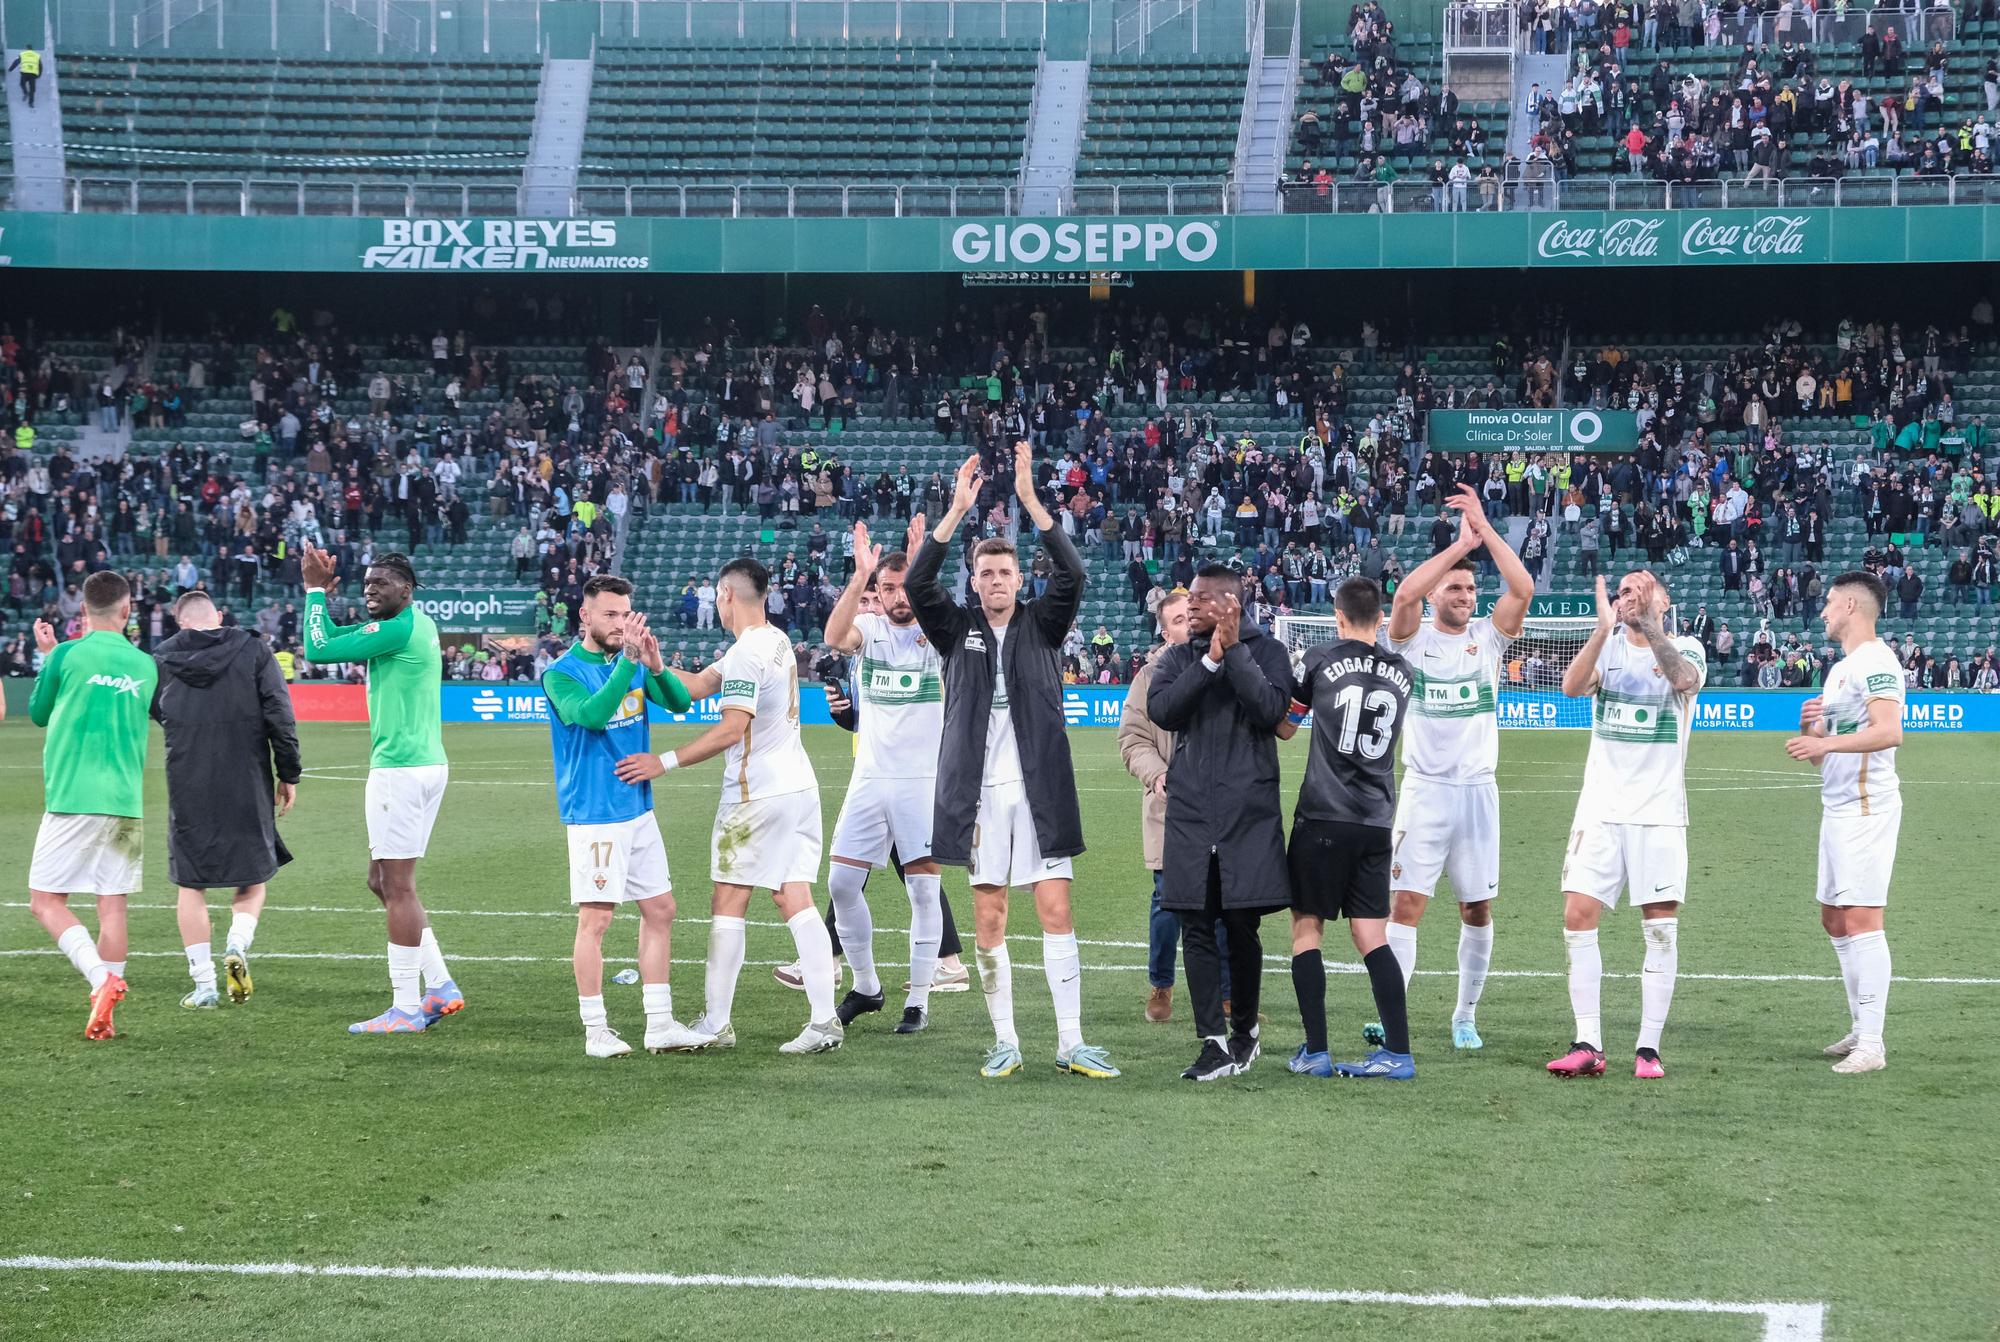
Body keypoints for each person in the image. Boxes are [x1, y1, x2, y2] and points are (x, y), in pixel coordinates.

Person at [907, 448, 1119, 1080]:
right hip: (977, 798)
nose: (996, 581)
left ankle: (1070, 1042)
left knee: (1056, 910)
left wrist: (1030, 501)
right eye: (986, 573)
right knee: (990, 915)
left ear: (1019, 580)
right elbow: (918, 584)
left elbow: (1074, 574)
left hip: (1040, 795)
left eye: (1005, 572)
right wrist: (955, 514)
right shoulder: (954, 629)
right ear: (975, 582)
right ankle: (1005, 1039)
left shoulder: (1044, 626)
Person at [614, 558, 840, 1055]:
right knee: (792, 895)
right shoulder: (772, 639)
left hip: (756, 794)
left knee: (729, 900)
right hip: (800, 788)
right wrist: (653, 663)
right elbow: (695, 686)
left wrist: (664, 762)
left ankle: (717, 1022)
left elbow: (731, 729)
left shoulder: (745, 654)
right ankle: (825, 1021)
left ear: (724, 596)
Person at [1379, 485, 1533, 1051]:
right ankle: (1392, 1013)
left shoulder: (1489, 639)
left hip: (1476, 792)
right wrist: (1454, 549)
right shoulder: (1411, 640)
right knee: (1406, 905)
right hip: (1423, 790)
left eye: (1471, 587)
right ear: (1437, 594)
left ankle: (1465, 1015)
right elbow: (1403, 595)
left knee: (1477, 905)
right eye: (1456, 587)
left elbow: (1523, 587)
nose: (1467, 595)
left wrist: (1485, 532)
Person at [299, 544, 465, 1035]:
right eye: (366, 583)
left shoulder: (396, 631)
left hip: (400, 769)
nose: (370, 589)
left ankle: (406, 1008)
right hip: (425, 763)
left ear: (406, 590)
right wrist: (321, 604)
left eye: (381, 584)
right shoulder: (412, 625)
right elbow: (330, 636)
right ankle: (439, 986)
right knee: (383, 881)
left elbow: (317, 649)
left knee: (398, 887)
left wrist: (311, 591)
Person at [541, 575, 709, 1059]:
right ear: (585, 617)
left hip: (638, 808)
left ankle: (660, 1024)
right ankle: (596, 1030)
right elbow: (592, 716)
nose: (619, 623)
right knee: (596, 919)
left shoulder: (631, 662)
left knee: (661, 909)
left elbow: (679, 703)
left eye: (625, 613)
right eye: (610, 614)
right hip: (595, 814)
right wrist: (631, 662)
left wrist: (654, 666)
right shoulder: (562, 673)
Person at [1549, 571, 1705, 1081]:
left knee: (1659, 930)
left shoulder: (1687, 646)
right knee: (1577, 915)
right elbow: (1572, 687)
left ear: (1664, 599)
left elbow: (1683, 680)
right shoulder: (1608, 648)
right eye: (1622, 588)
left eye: (1642, 585)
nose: (1630, 592)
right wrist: (1602, 627)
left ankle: (1648, 1049)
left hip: (1658, 814)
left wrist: (1649, 627)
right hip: (1600, 810)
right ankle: (1587, 1041)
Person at [1145, 567, 1293, 1081]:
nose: (1190, 604)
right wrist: (1210, 659)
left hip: (1245, 812)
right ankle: (1211, 1042)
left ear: (1231, 602)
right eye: (1190, 595)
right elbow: (1163, 710)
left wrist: (1234, 652)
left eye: (1202, 597)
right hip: (1189, 813)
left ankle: (1245, 1032)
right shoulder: (1181, 656)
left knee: (1240, 927)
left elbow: (1271, 709)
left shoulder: (1268, 651)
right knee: (1195, 925)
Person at [817, 516, 951, 1034]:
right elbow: (833, 635)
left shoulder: (937, 633)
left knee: (922, 893)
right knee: (842, 883)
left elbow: (932, 600)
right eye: (888, 588)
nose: (897, 597)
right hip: (869, 780)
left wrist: (924, 569)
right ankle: (867, 986)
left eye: (904, 587)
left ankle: (917, 999)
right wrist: (860, 575)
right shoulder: (869, 630)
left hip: (921, 782)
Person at [1280, 577, 1416, 1080]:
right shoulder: (1403, 670)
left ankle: (1316, 1050)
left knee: (1306, 929)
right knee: (1371, 936)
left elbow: (1287, 726)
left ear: (1338, 616)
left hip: (1323, 814)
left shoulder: (1317, 659)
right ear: (1380, 617)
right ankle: (1398, 1053)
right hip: (1377, 819)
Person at [151, 590, 301, 1010]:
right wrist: (288, 773)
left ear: (180, 623)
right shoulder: (253, 649)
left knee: (190, 884)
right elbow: (279, 712)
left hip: (187, 779)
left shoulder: (163, 658)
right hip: (246, 778)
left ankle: (203, 985)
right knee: (252, 878)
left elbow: (157, 710)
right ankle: (237, 944)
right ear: (219, 616)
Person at [24, 572, 158, 1041]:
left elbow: (39, 713)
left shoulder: (66, 654)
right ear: (127, 611)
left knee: (44, 901)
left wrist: (49, 656)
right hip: (125, 802)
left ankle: (101, 979)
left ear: (83, 610)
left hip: (73, 797)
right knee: (112, 908)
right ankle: (106, 1013)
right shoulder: (146, 665)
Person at [1785, 572, 1904, 1076]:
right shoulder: (1840, 671)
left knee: (1861, 919)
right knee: (1834, 919)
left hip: (1866, 807)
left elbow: (1890, 731)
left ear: (1852, 605)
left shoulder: (1877, 661)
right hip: (1836, 808)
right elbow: (1821, 754)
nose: (1823, 612)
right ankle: (1861, 1025)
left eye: (1830, 604)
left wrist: (1825, 742)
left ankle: (1873, 1045)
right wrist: (1811, 727)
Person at [1121, 588, 1229, 1024]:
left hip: (1222, 806)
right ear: (1165, 632)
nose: (1189, 622)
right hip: (1170, 806)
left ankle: (1226, 993)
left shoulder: (1227, 663)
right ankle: (1161, 986)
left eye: (1193, 615)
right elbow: (1132, 738)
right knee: (1168, 901)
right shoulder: (1148, 677)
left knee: (1223, 902)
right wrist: (1157, 774)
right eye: (1179, 619)